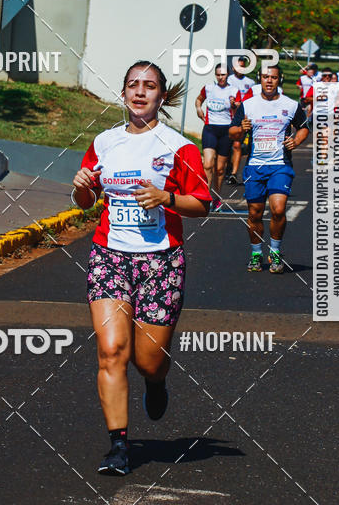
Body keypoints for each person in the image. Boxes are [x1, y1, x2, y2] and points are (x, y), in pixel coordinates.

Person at [72, 61, 211, 476]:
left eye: (149, 86)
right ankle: (119, 445)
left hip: (161, 261)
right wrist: (82, 188)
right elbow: (86, 202)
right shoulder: (104, 142)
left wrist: (165, 197)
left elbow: (202, 204)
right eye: (132, 84)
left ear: (162, 96)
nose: (139, 91)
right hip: (109, 254)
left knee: (148, 360)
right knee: (113, 350)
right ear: (123, 93)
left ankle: (156, 381)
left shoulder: (177, 146)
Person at [229, 64, 309, 273]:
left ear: (279, 79)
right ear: (260, 79)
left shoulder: (290, 105)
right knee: (255, 213)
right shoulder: (248, 105)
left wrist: (296, 141)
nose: (269, 81)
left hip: (280, 165)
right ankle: (256, 254)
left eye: (273, 77)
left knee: (278, 209)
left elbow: (304, 128)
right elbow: (232, 133)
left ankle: (275, 252)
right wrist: (241, 129)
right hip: (255, 166)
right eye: (265, 77)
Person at [195, 64, 235, 211]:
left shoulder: (233, 90)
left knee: (219, 169)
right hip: (210, 128)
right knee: (207, 164)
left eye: (223, 75)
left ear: (227, 75)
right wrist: (199, 108)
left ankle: (216, 197)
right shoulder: (208, 88)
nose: (220, 77)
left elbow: (239, 108)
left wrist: (234, 104)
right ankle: (205, 197)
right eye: (218, 74)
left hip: (226, 130)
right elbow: (199, 99)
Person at [226, 56, 255, 184]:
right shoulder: (228, 80)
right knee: (226, 148)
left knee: (237, 145)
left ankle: (233, 173)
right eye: (238, 66)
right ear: (233, 68)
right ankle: (226, 169)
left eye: (243, 66)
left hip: (241, 118)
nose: (240, 69)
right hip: (226, 117)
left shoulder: (250, 83)